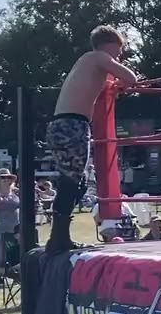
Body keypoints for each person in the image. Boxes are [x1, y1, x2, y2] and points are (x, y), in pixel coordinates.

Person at [46, 25, 139, 253]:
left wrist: (113, 85)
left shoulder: (86, 63)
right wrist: (120, 81)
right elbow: (131, 78)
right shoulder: (99, 58)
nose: (119, 56)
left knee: (75, 182)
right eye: (119, 51)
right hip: (73, 124)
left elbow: (101, 85)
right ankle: (58, 239)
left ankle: (59, 236)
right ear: (110, 45)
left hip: (62, 124)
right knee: (72, 183)